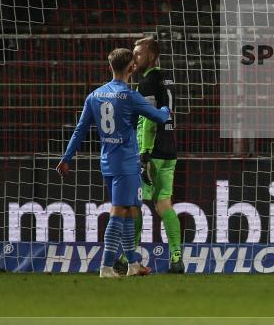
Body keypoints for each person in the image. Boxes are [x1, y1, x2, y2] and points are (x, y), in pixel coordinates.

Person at [56, 48, 171, 278]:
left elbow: (80, 131)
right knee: (119, 210)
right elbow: (159, 117)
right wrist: (167, 106)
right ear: (131, 68)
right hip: (127, 163)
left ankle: (133, 264)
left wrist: (67, 157)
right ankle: (106, 266)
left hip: (107, 161)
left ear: (110, 67)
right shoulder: (130, 96)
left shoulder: (95, 96)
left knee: (129, 210)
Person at [114, 38, 183, 274]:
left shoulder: (146, 83)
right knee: (164, 203)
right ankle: (176, 257)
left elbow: (147, 121)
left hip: (150, 152)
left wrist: (143, 154)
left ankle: (127, 257)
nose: (134, 59)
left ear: (151, 56)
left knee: (135, 204)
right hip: (169, 150)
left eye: (139, 54)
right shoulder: (168, 80)